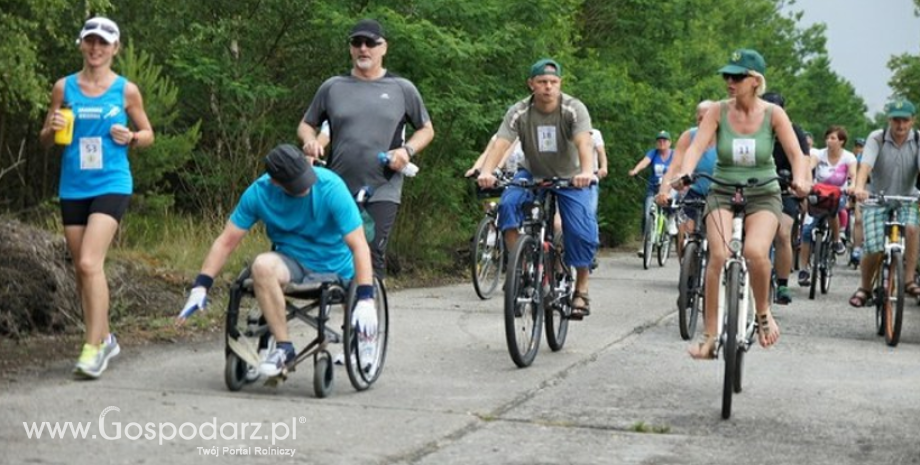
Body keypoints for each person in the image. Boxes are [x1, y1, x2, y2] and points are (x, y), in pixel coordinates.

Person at [176, 144, 377, 377]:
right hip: (291, 261)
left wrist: (365, 297)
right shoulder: (259, 193)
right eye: (295, 185)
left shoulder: (330, 187)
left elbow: (359, 244)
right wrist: (201, 285)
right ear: (275, 182)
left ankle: (364, 340)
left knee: (358, 302)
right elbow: (226, 242)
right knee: (261, 265)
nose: (304, 188)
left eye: (305, 180)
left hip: (335, 265)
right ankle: (283, 348)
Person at [664, 49, 811, 358]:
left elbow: (797, 154)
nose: (730, 81)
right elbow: (697, 146)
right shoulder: (717, 111)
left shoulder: (773, 114)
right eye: (726, 76)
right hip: (722, 190)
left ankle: (763, 314)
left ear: (755, 81)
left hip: (763, 192)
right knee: (717, 255)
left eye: (737, 76)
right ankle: (708, 336)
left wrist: (801, 179)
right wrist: (686, 172)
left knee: (755, 251)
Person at [39, 17, 154, 379]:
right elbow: (45, 137)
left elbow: (149, 133)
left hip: (111, 183)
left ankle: (94, 348)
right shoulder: (64, 87)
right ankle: (105, 335)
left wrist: (132, 137)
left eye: (103, 43)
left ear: (114, 49)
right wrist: (51, 129)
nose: (96, 48)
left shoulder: (126, 91)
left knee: (90, 263)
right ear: (81, 45)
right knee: (82, 269)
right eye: (90, 41)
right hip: (73, 185)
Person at [299, 19, 435, 279]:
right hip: (337, 184)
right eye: (357, 43)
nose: (364, 49)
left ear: (384, 48)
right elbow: (307, 124)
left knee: (371, 250)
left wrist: (406, 151)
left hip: (383, 185)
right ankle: (338, 304)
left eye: (370, 43)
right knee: (334, 249)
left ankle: (369, 313)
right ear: (350, 49)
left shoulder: (402, 88)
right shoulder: (332, 87)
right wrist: (310, 141)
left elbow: (427, 129)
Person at [476, 58, 598, 319]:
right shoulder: (519, 111)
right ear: (531, 84)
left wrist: (587, 172)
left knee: (580, 229)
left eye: (553, 82)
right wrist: (487, 171)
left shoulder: (573, 108)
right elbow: (501, 143)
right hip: (532, 172)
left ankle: (581, 289)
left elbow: (584, 143)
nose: (548, 87)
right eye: (542, 82)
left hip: (571, 176)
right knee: (507, 205)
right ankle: (519, 268)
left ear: (560, 84)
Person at [849, 97, 920, 307]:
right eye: (896, 120)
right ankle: (865, 288)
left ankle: (908, 280)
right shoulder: (877, 138)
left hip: (907, 198)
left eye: (905, 120)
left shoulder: (917, 140)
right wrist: (860, 188)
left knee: (912, 229)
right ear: (889, 120)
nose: (900, 125)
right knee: (873, 247)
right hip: (877, 199)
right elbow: (865, 166)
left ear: (912, 121)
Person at [760, 91, 809, 305]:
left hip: (786, 187)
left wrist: (801, 182)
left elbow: (803, 159)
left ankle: (782, 284)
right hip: (758, 186)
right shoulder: (753, 127)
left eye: (776, 109)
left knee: (782, 232)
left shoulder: (793, 131)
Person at [797, 126, 857, 286]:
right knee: (806, 232)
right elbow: (810, 164)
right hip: (818, 194)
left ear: (842, 141)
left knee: (834, 209)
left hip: (838, 194)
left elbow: (853, 174)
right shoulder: (818, 153)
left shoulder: (849, 157)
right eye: (828, 138)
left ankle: (837, 239)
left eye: (833, 138)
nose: (829, 141)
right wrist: (804, 177)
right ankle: (804, 269)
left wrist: (853, 186)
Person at [659, 100, 718, 259]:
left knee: (717, 239)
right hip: (694, 191)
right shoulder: (689, 136)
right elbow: (674, 167)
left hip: (719, 193)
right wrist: (664, 192)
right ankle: (687, 271)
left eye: (708, 118)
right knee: (684, 232)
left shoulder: (725, 137)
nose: (704, 122)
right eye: (700, 118)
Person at [630, 130, 676, 247]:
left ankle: (671, 218)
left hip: (669, 188)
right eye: (659, 141)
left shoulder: (674, 154)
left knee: (673, 200)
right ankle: (645, 244)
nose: (661, 143)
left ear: (669, 143)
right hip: (653, 188)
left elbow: (680, 166)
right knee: (647, 214)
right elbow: (645, 162)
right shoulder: (653, 153)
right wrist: (636, 170)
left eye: (664, 140)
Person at [848, 137, 866, 266]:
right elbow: (857, 175)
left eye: (862, 146)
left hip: (879, 190)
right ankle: (856, 248)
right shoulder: (859, 158)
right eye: (858, 146)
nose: (860, 148)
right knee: (858, 220)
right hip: (864, 188)